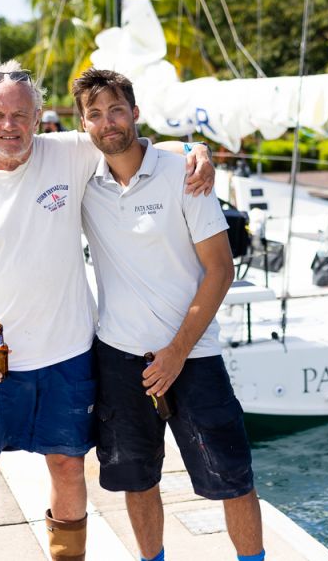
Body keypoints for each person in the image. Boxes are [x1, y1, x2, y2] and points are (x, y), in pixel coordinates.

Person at [0, 61, 213, 561]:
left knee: (67, 466)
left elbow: (130, 142)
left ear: (39, 116)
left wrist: (197, 151)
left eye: (20, 114)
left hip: (68, 355)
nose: (9, 126)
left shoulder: (69, 154)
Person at [74, 68, 265, 561]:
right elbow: (17, 148)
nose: (107, 122)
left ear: (135, 114)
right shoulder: (80, 177)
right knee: (137, 479)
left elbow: (220, 269)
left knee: (232, 477)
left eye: (116, 109)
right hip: (120, 357)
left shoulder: (182, 171)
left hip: (193, 353)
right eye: (94, 114)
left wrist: (177, 352)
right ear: (83, 124)